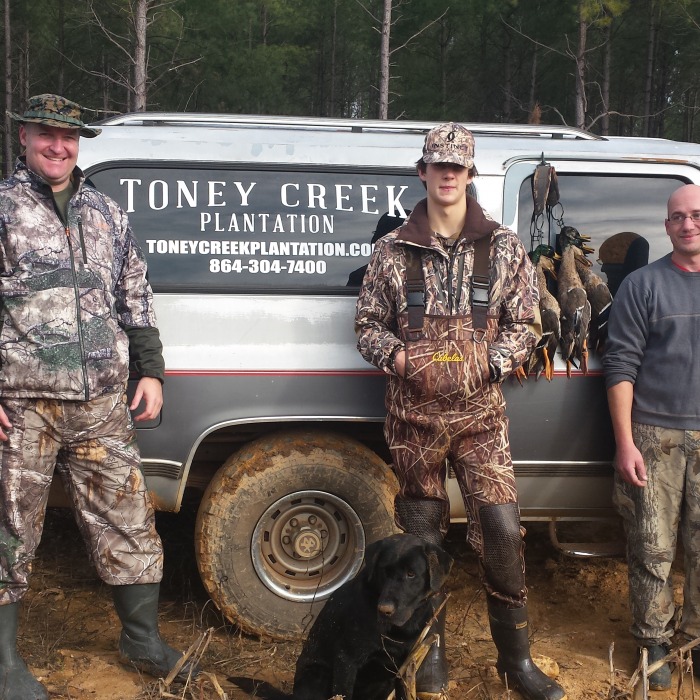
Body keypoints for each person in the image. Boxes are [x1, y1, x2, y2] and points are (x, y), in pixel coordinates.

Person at [354, 122, 565, 700]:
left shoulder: (503, 247)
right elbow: (367, 326)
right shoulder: (391, 251)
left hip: (480, 421)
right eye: (438, 165)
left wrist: (491, 363)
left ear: (470, 173)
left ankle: (516, 663)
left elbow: (527, 323)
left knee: (501, 530)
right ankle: (428, 658)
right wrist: (400, 359)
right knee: (421, 542)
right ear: (422, 171)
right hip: (413, 422)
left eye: (458, 165)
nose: (447, 174)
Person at [0, 95, 197, 700]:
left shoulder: (106, 212)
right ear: (25, 137)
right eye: (46, 134)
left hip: (102, 404)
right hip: (21, 405)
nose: (58, 146)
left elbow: (135, 293)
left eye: (68, 136)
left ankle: (142, 641)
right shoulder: (3, 209)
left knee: (129, 519)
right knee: (9, 532)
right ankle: (4, 665)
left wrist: (150, 371)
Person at [603, 183, 700, 691]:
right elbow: (620, 366)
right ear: (666, 226)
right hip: (654, 435)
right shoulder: (642, 285)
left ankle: (696, 641)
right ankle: (653, 644)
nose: (688, 224)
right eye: (678, 217)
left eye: (696, 214)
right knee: (651, 547)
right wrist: (626, 443)